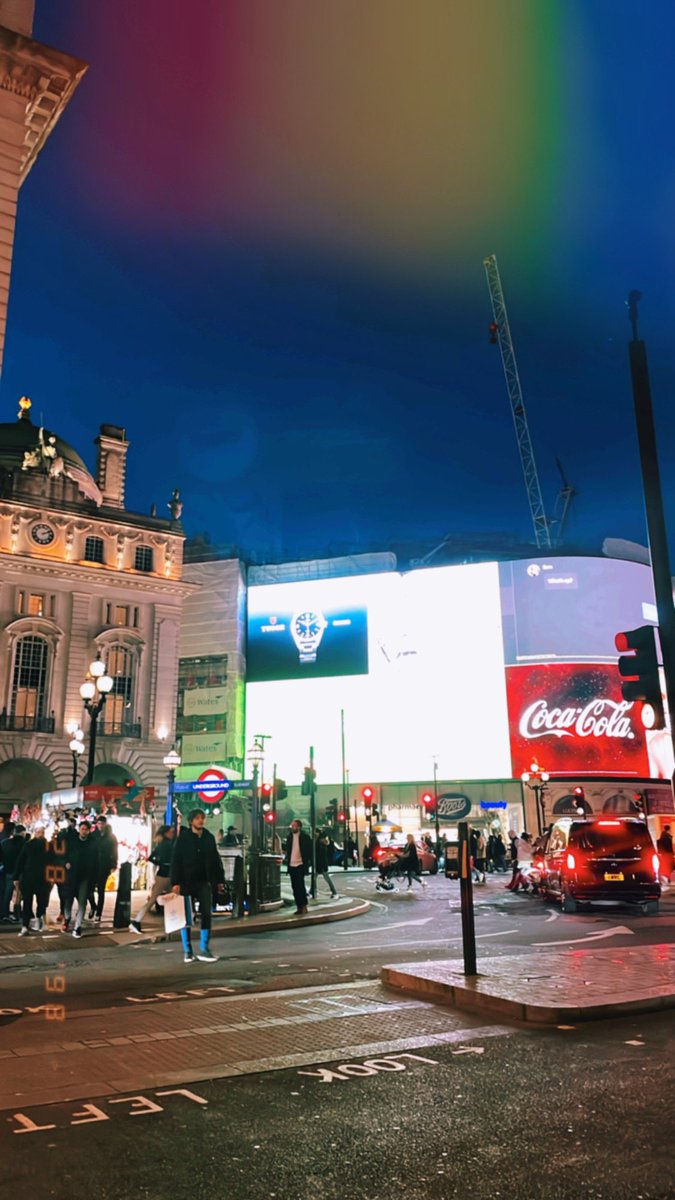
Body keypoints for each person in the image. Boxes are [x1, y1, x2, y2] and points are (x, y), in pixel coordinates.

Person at [169, 809, 225, 963]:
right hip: (186, 881)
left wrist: (219, 880)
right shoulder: (184, 838)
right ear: (191, 821)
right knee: (185, 916)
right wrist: (175, 882)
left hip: (204, 881)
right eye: (198, 818)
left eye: (202, 818)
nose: (201, 821)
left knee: (206, 914)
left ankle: (204, 948)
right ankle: (188, 951)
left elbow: (215, 860)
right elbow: (176, 860)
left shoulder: (208, 838)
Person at [129, 824, 176, 933]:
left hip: (161, 874)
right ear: (166, 833)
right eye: (170, 831)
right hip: (168, 875)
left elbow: (151, 858)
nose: (172, 833)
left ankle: (137, 921)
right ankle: (178, 920)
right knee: (176, 896)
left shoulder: (161, 844)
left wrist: (160, 863)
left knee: (155, 899)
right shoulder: (169, 845)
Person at [63, 820, 100, 937]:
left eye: (86, 829)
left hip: (85, 877)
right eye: (82, 829)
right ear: (79, 829)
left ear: (89, 831)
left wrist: (94, 877)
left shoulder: (92, 843)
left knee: (82, 902)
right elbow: (65, 854)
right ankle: (67, 918)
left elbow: (96, 860)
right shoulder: (72, 841)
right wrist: (66, 863)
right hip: (72, 876)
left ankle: (77, 927)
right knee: (68, 901)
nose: (84, 831)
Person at [15, 824, 52, 935]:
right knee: (27, 902)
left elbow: (53, 862)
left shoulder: (49, 847)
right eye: (38, 832)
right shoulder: (28, 845)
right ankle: (25, 925)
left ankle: (39, 921)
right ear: (35, 833)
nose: (40, 834)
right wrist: (16, 877)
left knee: (42, 902)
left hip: (43, 879)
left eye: (42, 832)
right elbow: (20, 861)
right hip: (28, 878)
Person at [91, 815, 118, 922]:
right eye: (98, 823)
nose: (100, 826)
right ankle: (93, 906)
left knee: (101, 890)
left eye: (102, 823)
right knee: (90, 889)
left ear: (105, 824)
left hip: (105, 865)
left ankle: (99, 912)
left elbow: (114, 851)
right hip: (93, 865)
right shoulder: (93, 835)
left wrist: (113, 865)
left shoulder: (111, 837)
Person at [283, 818, 313, 915]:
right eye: (292, 826)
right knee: (294, 887)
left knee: (300, 886)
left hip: (300, 864)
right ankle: (299, 906)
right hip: (292, 865)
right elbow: (287, 849)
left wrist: (308, 862)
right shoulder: (289, 837)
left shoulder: (305, 837)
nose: (292, 827)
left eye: (294, 826)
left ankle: (304, 906)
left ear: (299, 827)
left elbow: (309, 850)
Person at [0, 823, 26, 922]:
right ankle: (17, 914)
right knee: (20, 895)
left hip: (8, 872)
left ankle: (4, 914)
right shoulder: (25, 844)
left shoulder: (5, 843)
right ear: (23, 833)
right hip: (21, 873)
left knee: (7, 894)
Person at [315, 832, 338, 899]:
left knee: (324, 878)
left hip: (320, 864)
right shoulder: (325, 844)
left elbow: (320, 855)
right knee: (316, 878)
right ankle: (333, 891)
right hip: (322, 864)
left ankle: (334, 891)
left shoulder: (320, 844)